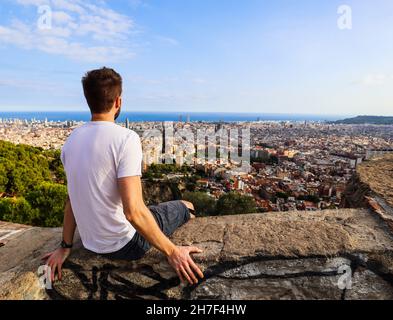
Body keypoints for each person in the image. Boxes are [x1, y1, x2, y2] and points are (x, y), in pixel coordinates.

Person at [43, 67, 204, 286]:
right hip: (127, 245)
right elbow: (133, 213)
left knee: (151, 207)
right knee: (187, 205)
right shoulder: (126, 139)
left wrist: (65, 246)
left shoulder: (71, 141)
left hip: (90, 243)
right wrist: (173, 251)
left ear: (88, 100)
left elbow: (72, 198)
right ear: (118, 102)